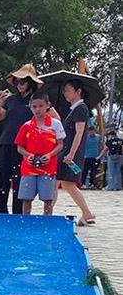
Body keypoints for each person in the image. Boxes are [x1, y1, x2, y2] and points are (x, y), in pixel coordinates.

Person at [0, 64, 57, 214]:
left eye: (23, 82)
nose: (19, 85)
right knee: (1, 178)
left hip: (26, 146)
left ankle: (18, 212)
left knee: (20, 180)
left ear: (30, 82)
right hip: (6, 142)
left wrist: (40, 128)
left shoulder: (37, 101)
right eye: (17, 82)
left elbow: (56, 119)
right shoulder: (11, 100)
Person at [14, 92, 65, 215]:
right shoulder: (26, 126)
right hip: (28, 168)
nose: (37, 109)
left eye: (41, 106)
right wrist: (28, 155)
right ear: (30, 107)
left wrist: (49, 155)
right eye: (34, 106)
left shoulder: (55, 124)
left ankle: (47, 220)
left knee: (48, 198)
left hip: (48, 168)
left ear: (47, 105)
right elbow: (19, 148)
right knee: (26, 198)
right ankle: (26, 220)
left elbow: (60, 144)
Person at [56, 80, 96, 225]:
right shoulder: (75, 109)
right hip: (68, 151)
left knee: (59, 182)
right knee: (66, 184)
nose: (65, 93)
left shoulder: (80, 109)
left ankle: (47, 213)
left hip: (70, 152)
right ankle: (87, 213)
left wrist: (71, 154)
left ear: (78, 91)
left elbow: (79, 133)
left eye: (68, 90)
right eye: (64, 90)